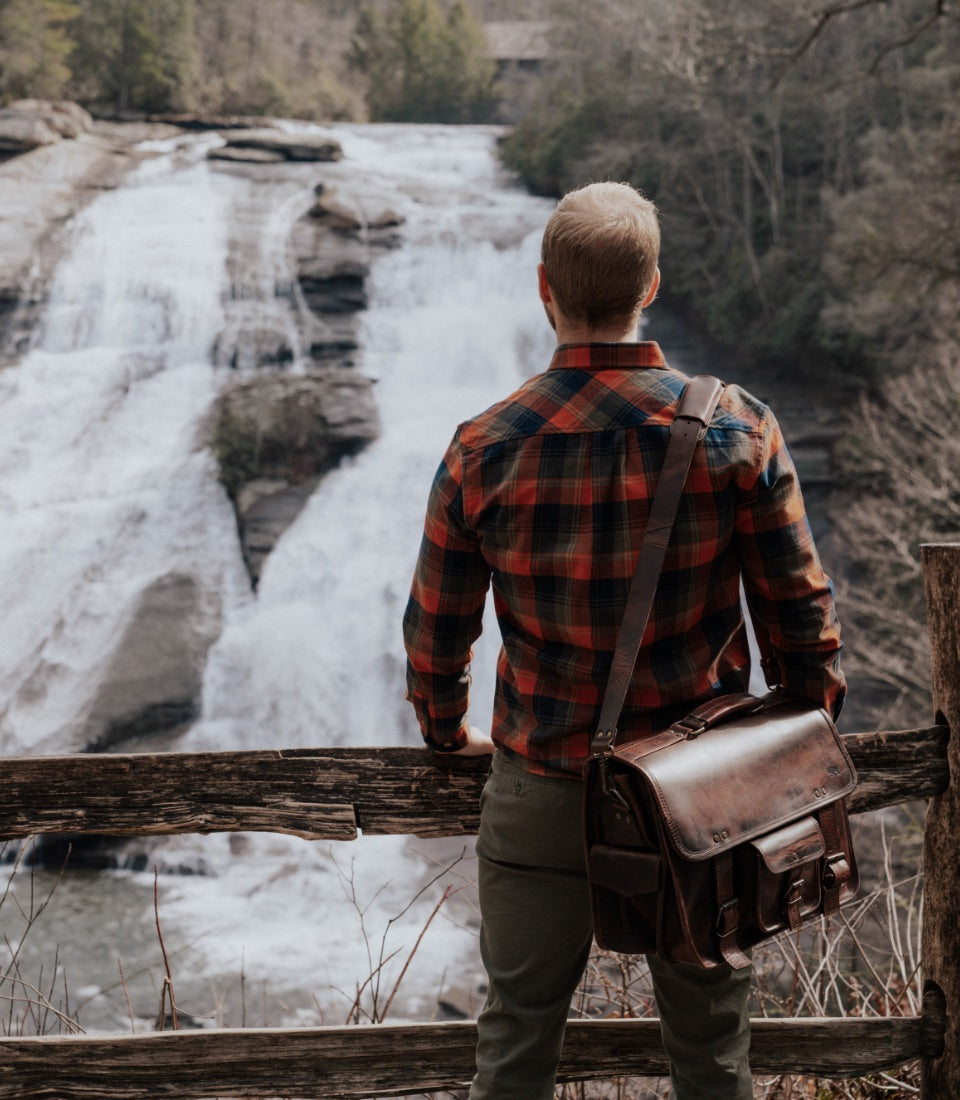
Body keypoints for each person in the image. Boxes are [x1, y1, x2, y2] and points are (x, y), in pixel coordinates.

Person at [403, 181, 845, 1100]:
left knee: (516, 1044)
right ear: (652, 284)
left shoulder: (482, 448)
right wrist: (790, 746)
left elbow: (437, 635)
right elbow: (802, 624)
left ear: (543, 289)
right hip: (704, 797)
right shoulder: (737, 428)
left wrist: (447, 733)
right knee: (712, 1052)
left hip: (543, 787)